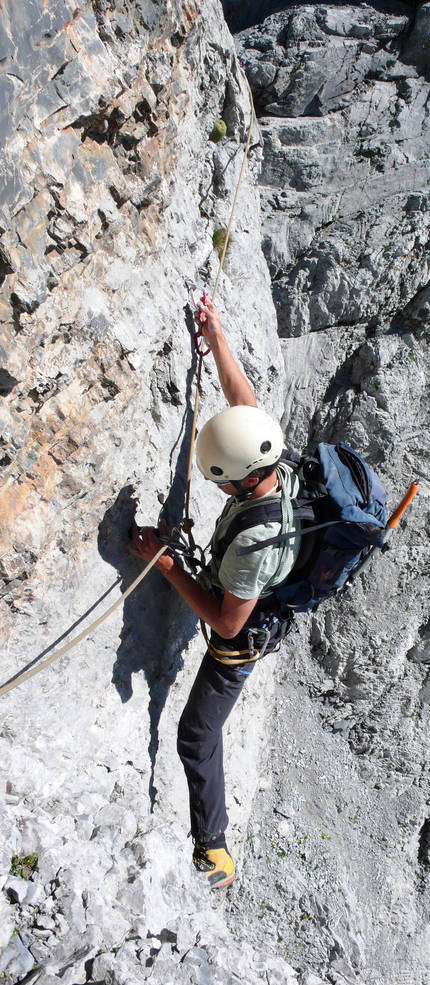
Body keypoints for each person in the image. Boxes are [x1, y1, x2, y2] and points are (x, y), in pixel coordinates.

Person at [128, 297, 300, 890]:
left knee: (196, 736)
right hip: (242, 595)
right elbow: (242, 402)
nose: (221, 486)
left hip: (241, 639)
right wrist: (216, 336)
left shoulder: (257, 541)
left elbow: (227, 626)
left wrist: (165, 564)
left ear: (247, 480)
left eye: (224, 481)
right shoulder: (272, 455)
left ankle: (216, 850)